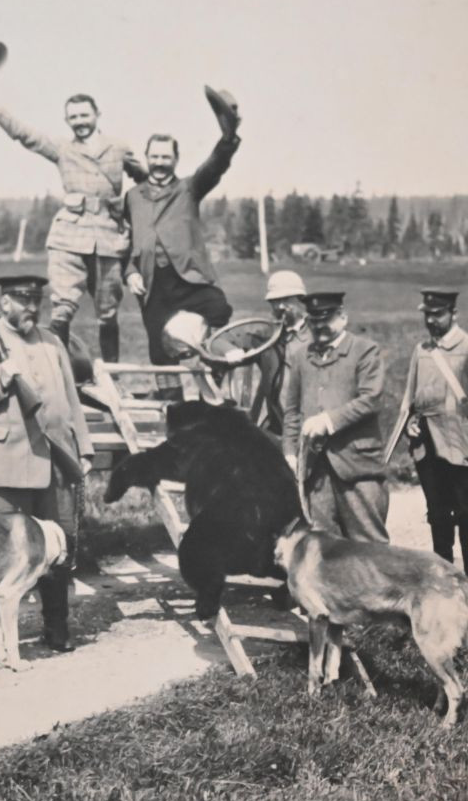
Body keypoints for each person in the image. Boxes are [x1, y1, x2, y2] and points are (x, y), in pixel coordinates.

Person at [0, 274, 95, 655]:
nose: (32, 307)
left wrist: (85, 448)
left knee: (59, 546)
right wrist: (0, 382)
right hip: (2, 463)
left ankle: (56, 628)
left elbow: (70, 398)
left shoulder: (51, 341)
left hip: (54, 462)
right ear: (5, 302)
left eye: (36, 300)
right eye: (22, 300)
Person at [0, 83, 145, 362]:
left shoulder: (119, 148)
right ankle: (60, 374)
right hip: (69, 238)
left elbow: (146, 179)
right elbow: (24, 134)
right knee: (62, 308)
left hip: (110, 239)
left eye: (84, 115)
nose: (79, 122)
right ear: (67, 121)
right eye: (73, 117)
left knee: (108, 313)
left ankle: (113, 378)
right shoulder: (63, 148)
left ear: (97, 114)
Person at [384, 288, 468, 584]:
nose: (431, 320)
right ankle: (442, 573)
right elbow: (410, 398)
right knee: (436, 511)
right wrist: (409, 425)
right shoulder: (422, 350)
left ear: (453, 314)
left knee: (466, 510)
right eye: (427, 314)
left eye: (437, 314)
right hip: (426, 442)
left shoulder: (467, 345)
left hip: (458, 440)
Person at [122, 89, 242, 368]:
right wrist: (129, 273)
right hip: (153, 286)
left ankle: (213, 373)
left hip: (189, 278)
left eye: (166, 157)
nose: (160, 163)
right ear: (147, 158)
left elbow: (215, 166)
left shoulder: (189, 188)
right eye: (155, 157)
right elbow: (129, 243)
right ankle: (172, 408)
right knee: (160, 353)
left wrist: (228, 138)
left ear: (176, 159)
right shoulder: (132, 197)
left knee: (219, 310)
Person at [281, 291, 390, 543]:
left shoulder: (365, 351)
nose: (319, 326)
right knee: (323, 543)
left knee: (369, 543)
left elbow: (370, 399)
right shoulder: (300, 357)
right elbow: (292, 410)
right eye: (314, 320)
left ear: (343, 317)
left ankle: (377, 584)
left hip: (356, 465)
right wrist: (289, 450)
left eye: (326, 319)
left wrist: (328, 421)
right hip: (315, 468)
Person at [249, 269, 310, 435]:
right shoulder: (265, 335)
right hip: (279, 428)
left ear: (301, 300)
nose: (280, 306)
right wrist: (230, 351)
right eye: (275, 301)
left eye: (286, 300)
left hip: (314, 426)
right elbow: (223, 340)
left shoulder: (318, 334)